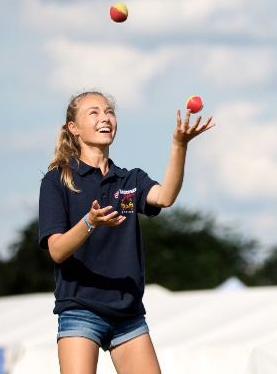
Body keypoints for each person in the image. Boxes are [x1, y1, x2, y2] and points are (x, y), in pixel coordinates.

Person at [38, 91, 213, 373]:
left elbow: (166, 197)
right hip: (80, 310)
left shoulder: (130, 179)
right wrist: (90, 222)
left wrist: (179, 145)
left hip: (128, 314)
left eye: (109, 111)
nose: (105, 117)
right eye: (94, 112)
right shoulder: (57, 180)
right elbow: (57, 251)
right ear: (74, 128)